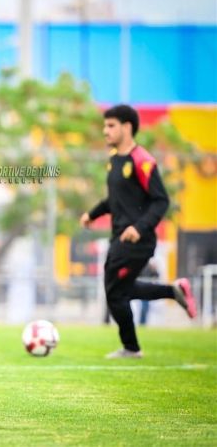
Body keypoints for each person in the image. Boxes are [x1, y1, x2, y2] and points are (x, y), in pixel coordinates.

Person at [80, 104, 197, 359]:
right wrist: (93, 214)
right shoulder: (114, 160)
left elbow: (161, 201)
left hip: (137, 240)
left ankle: (131, 348)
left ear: (127, 127)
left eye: (110, 126)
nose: (105, 131)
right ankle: (173, 291)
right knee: (121, 291)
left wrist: (139, 227)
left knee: (113, 291)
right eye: (105, 125)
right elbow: (115, 200)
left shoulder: (142, 160)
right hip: (120, 237)